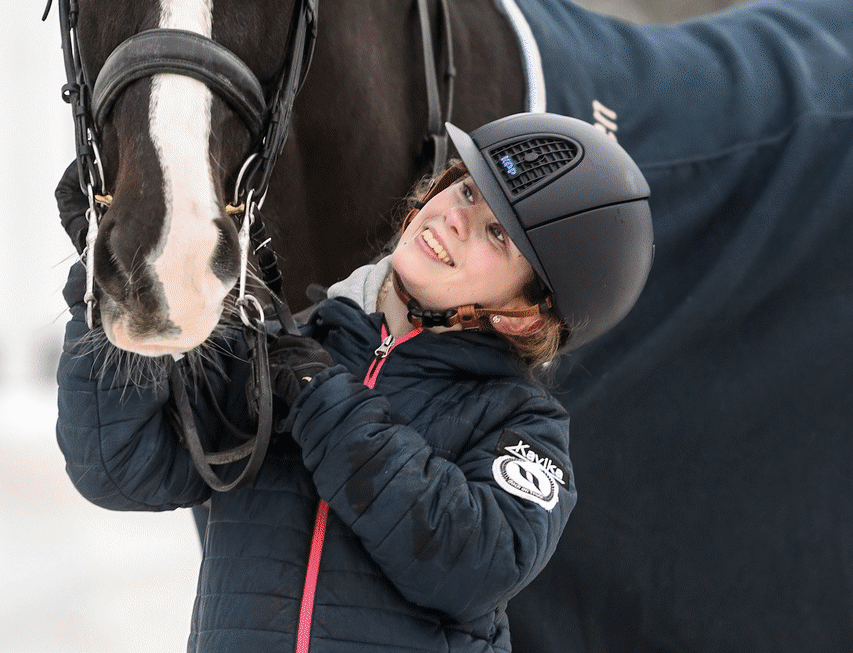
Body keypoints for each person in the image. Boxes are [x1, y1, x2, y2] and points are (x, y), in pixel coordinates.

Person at [55, 112, 654, 653]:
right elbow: (122, 466)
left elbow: (471, 561)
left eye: (498, 234)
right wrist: (117, 275)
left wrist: (326, 402)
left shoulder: (522, 426)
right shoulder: (292, 346)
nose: (456, 219)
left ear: (522, 313)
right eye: (467, 190)